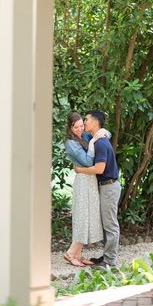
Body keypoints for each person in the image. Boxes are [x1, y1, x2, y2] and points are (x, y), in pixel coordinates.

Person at [75, 110, 121, 268]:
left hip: (109, 187)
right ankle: (106, 258)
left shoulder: (101, 143)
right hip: (105, 187)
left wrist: (80, 170)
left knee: (110, 225)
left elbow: (99, 169)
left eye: (86, 120)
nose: (84, 122)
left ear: (95, 123)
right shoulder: (97, 138)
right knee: (106, 224)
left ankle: (110, 262)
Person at [64, 112, 108, 267]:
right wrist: (91, 144)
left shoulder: (84, 136)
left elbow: (103, 135)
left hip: (90, 179)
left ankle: (77, 253)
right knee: (83, 216)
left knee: (88, 216)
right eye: (76, 127)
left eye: (82, 125)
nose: (80, 129)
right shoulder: (71, 143)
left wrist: (103, 132)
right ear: (70, 127)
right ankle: (70, 253)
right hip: (83, 181)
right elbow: (88, 161)